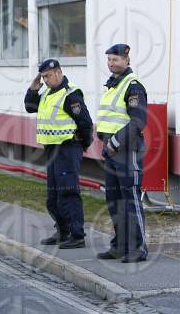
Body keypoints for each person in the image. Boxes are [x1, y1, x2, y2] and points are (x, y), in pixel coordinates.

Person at [25, 59, 93, 249]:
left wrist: (82, 145)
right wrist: (33, 88)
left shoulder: (71, 94)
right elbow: (30, 107)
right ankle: (63, 232)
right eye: (43, 77)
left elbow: (85, 123)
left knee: (68, 192)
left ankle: (77, 235)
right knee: (53, 196)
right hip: (52, 150)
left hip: (68, 149)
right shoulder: (48, 93)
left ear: (58, 72)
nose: (45, 80)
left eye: (47, 76)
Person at [96, 44, 148, 263]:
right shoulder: (113, 85)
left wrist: (115, 141)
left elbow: (138, 121)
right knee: (114, 201)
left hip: (127, 151)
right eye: (109, 60)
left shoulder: (132, 86)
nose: (111, 63)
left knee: (130, 201)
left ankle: (137, 249)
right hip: (112, 151)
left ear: (126, 60)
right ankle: (120, 246)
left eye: (115, 59)